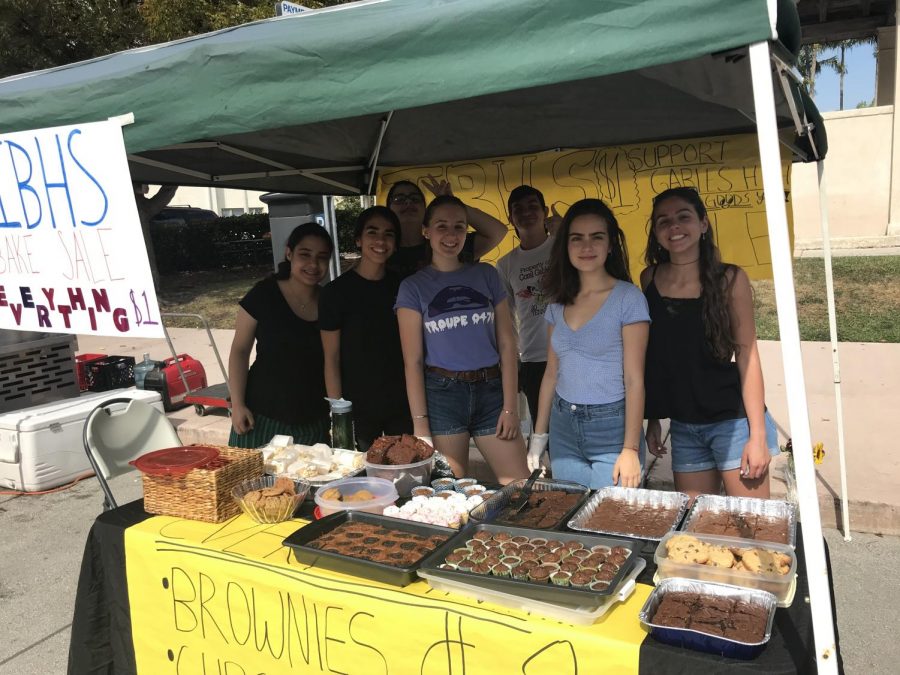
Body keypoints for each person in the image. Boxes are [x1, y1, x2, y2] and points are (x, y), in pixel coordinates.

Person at [640, 187, 779, 499]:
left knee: (752, 529)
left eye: (683, 217)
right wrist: (653, 419)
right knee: (697, 531)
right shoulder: (649, 278)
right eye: (663, 221)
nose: (673, 227)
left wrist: (757, 435)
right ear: (656, 232)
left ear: (703, 224)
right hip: (684, 424)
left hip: (732, 421)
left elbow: (747, 355)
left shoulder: (730, 278)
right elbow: (656, 356)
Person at [395, 194, 530, 484]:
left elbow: (507, 345)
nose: (451, 234)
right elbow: (413, 361)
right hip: (443, 395)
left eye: (459, 226)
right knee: (451, 490)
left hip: (492, 393)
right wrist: (421, 427)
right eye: (441, 226)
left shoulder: (486, 274)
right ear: (426, 231)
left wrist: (511, 407)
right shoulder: (413, 287)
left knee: (520, 486)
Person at [528, 199, 649, 489]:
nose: (586, 247)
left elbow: (634, 380)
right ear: (565, 246)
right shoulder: (557, 302)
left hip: (612, 428)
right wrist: (538, 437)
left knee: (611, 524)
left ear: (610, 245)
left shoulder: (628, 298)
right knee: (570, 520)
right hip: (563, 428)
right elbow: (551, 374)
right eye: (576, 238)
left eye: (597, 237)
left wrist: (630, 449)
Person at [228, 223, 333, 448]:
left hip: (313, 422)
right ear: (289, 253)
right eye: (305, 254)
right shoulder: (264, 294)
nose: (313, 264)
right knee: (252, 483)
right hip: (260, 417)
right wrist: (237, 404)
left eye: (322, 257)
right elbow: (239, 351)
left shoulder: (330, 302)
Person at [319, 206, 411, 451]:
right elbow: (331, 357)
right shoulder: (335, 293)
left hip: (402, 403)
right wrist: (338, 412)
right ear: (358, 239)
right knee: (362, 482)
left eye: (389, 234)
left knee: (405, 477)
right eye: (372, 232)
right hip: (358, 407)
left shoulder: (405, 286)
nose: (381, 240)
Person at [495, 185, 562, 424]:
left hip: (572, 352)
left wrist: (567, 235)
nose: (526, 213)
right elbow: (507, 318)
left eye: (533, 207)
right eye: (518, 209)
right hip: (534, 359)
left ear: (544, 211)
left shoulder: (564, 248)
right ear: (510, 217)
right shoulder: (505, 264)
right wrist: (513, 361)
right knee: (544, 430)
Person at [385, 177, 508, 278]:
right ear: (388, 208)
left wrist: (453, 203)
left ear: (425, 209)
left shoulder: (446, 244)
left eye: (415, 199)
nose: (408, 203)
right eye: (399, 199)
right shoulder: (381, 249)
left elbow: (497, 232)